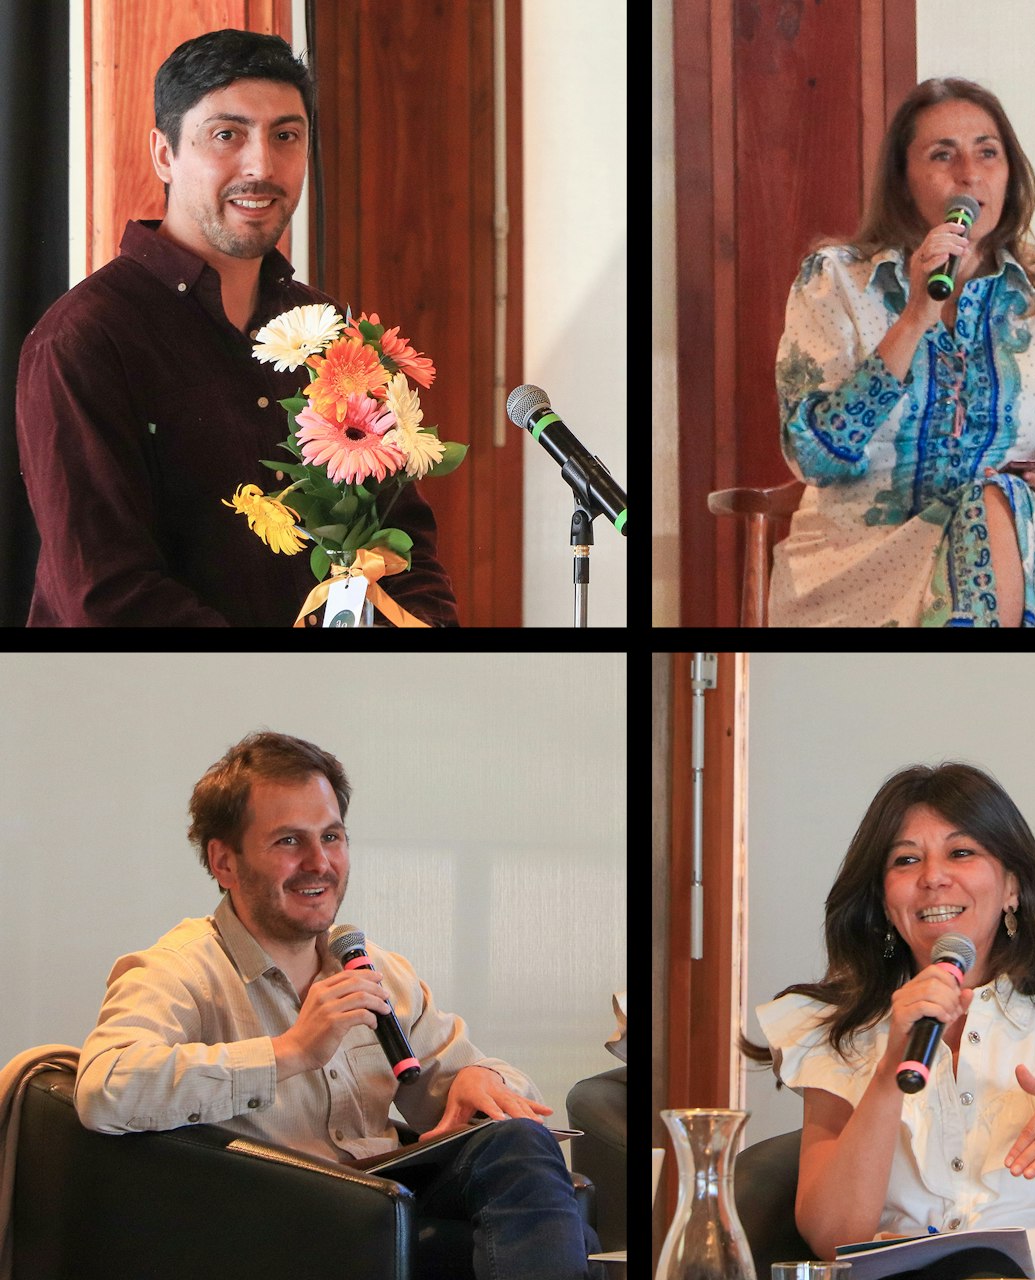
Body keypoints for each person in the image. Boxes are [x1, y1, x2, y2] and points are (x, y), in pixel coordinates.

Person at [74, 731, 597, 1279]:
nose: (319, 862)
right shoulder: (178, 969)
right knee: (560, 1232)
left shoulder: (371, 966)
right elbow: (106, 1089)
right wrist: (289, 1052)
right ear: (224, 862)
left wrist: (479, 1079)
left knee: (518, 1146)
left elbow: (479, 1085)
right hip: (280, 1217)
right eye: (288, 841)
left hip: (385, 1197)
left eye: (331, 836)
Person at [14, 29, 457, 625]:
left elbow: (404, 544)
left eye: (286, 136)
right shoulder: (84, 340)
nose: (261, 166)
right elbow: (107, 594)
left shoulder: (333, 335)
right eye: (227, 134)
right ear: (164, 154)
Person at [742, 762, 1035, 1278]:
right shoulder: (838, 1030)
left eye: (961, 852)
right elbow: (832, 1238)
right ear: (885, 901)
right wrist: (890, 1066)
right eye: (906, 860)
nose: (933, 878)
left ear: (1012, 886)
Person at [766, 78, 1035, 626]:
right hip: (863, 566)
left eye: (987, 153)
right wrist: (913, 319)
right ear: (903, 181)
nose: (969, 174)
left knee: (997, 499)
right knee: (996, 504)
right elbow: (813, 456)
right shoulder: (836, 281)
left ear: (1010, 174)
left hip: (1011, 552)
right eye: (942, 155)